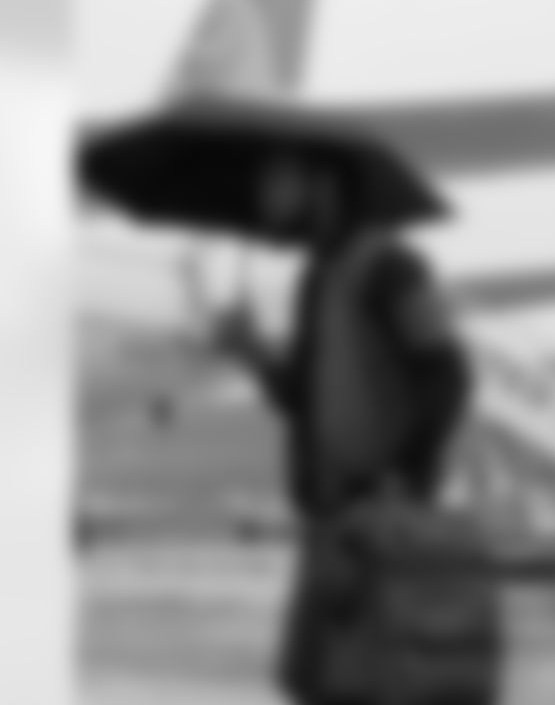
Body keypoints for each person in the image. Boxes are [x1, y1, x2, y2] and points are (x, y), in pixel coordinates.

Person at [212, 154, 495, 705]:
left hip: (383, 526)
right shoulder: (316, 277)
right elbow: (302, 397)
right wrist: (253, 352)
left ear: (325, 184)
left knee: (380, 682)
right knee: (316, 683)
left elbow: (450, 373)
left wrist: (406, 476)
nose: (268, 198)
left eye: (279, 180)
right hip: (330, 527)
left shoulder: (393, 267)